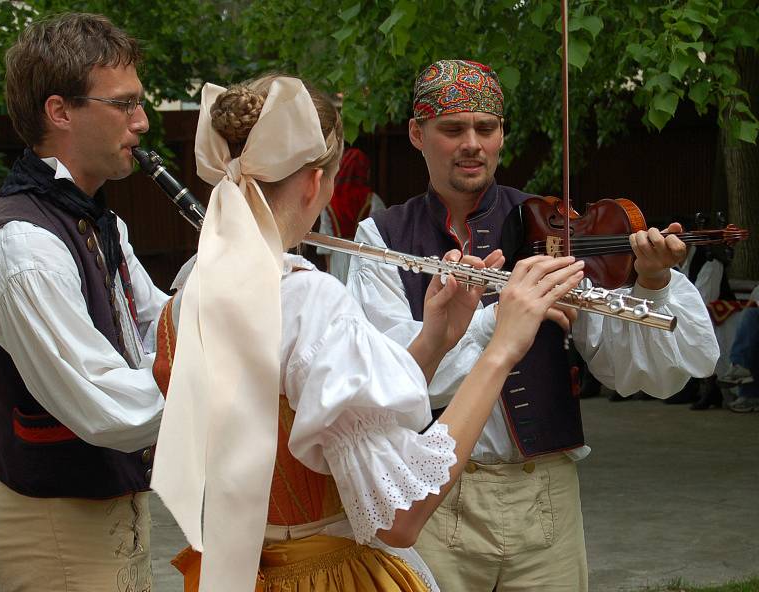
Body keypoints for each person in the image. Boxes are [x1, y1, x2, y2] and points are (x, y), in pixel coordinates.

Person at [149, 74, 584, 592]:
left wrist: (435, 340)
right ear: (316, 181)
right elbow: (400, 518)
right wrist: (502, 348)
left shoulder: (189, 292)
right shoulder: (308, 299)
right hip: (327, 576)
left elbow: (333, 407)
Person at [346, 59, 720, 591]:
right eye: (453, 129)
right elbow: (386, 380)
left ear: (502, 135)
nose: (472, 143)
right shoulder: (380, 237)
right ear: (417, 134)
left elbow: (638, 370)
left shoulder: (553, 229)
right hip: (429, 496)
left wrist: (653, 284)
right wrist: (496, 323)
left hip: (545, 498)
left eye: (486, 128)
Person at [0, 13, 168, 591]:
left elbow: (159, 328)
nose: (143, 122)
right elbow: (106, 405)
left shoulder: (98, 221)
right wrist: (231, 370)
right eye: (124, 105)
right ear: (61, 111)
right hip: (60, 538)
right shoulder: (24, 246)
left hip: (112, 521)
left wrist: (240, 278)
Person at [316, 147, 385, 283]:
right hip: (363, 257)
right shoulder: (371, 199)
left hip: (338, 256)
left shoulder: (329, 201)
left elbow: (325, 238)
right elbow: (380, 237)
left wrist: (330, 269)